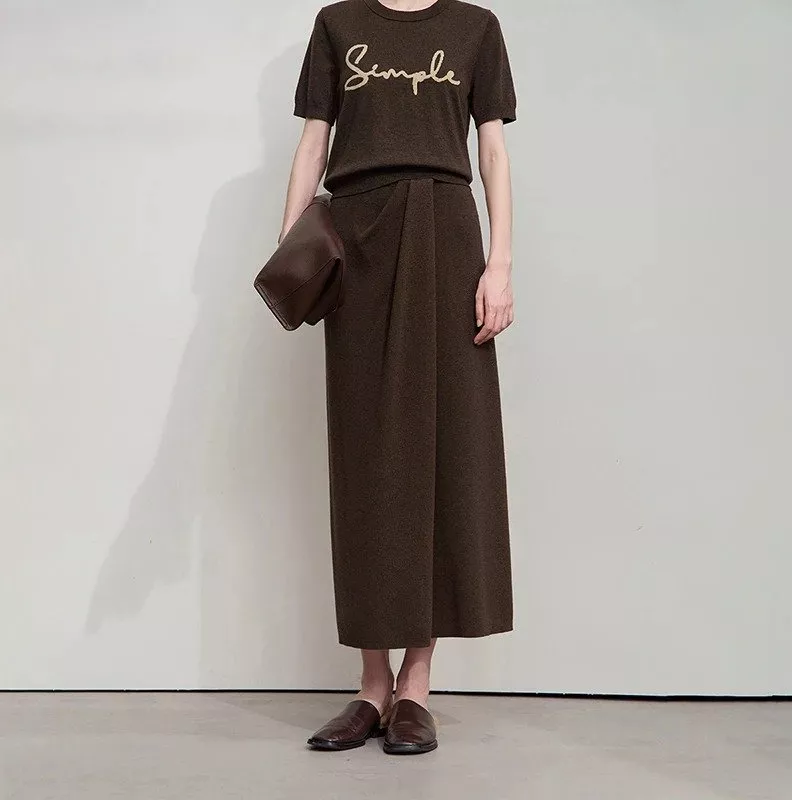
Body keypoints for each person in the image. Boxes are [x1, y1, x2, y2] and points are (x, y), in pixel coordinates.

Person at [280, 0, 517, 755]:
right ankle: (370, 684)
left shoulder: (475, 28)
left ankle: (416, 684)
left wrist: (500, 263)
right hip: (358, 237)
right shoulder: (337, 24)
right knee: (368, 457)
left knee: (442, 446)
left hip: (448, 236)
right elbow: (313, 142)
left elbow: (492, 151)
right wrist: (291, 250)